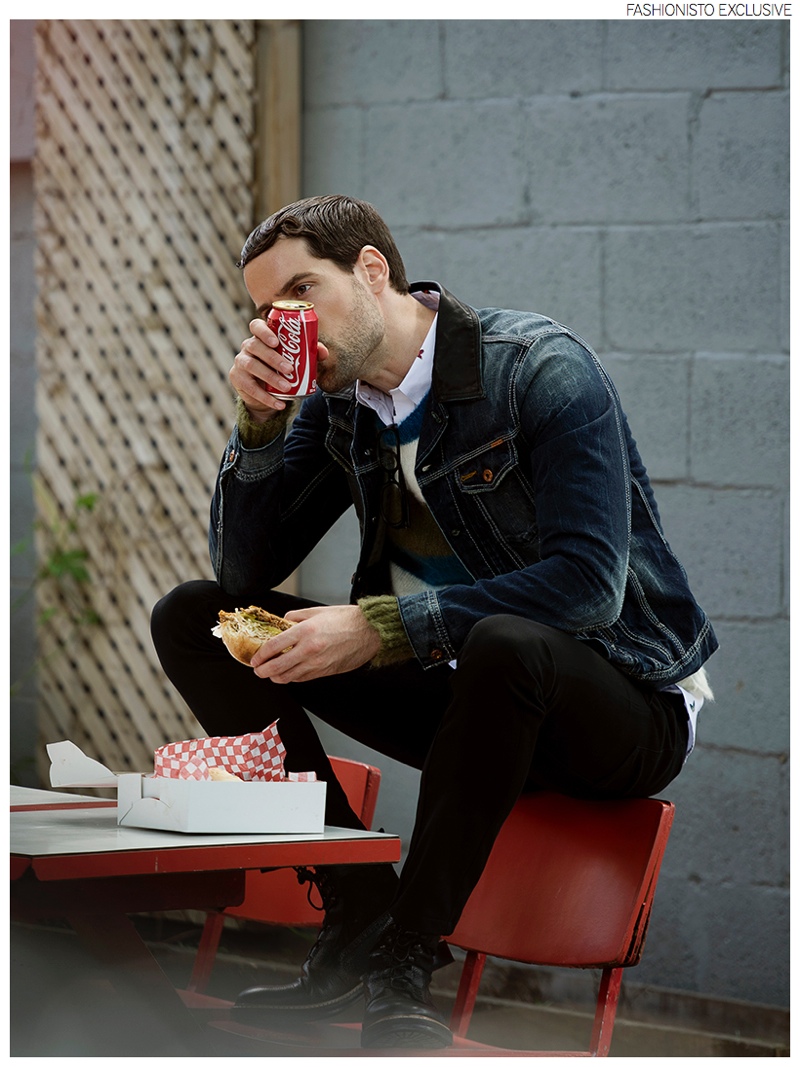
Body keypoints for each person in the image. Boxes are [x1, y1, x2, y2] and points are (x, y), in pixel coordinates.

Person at [150, 194, 717, 1049]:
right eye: (268, 310)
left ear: (372, 271)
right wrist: (260, 424)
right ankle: (356, 909)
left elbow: (589, 588)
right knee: (196, 616)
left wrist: (381, 627)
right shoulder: (344, 408)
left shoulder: (539, 369)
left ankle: (403, 962)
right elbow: (242, 573)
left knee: (507, 641)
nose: (285, 322)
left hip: (620, 705)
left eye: (303, 292)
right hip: (469, 702)